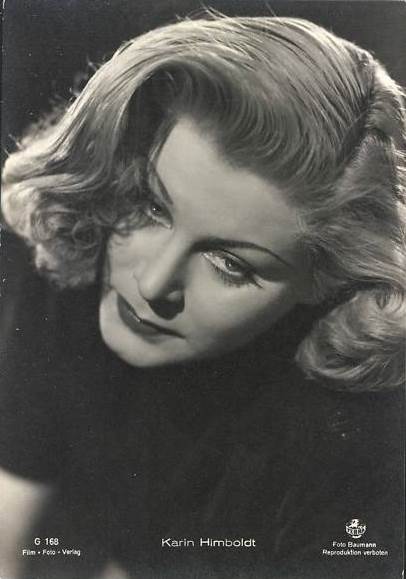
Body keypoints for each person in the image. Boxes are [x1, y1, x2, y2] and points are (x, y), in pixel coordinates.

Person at [1, 13, 405, 579]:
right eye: (149, 206)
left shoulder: (352, 448)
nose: (151, 284)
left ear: (325, 281)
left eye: (230, 264)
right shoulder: (81, 258)